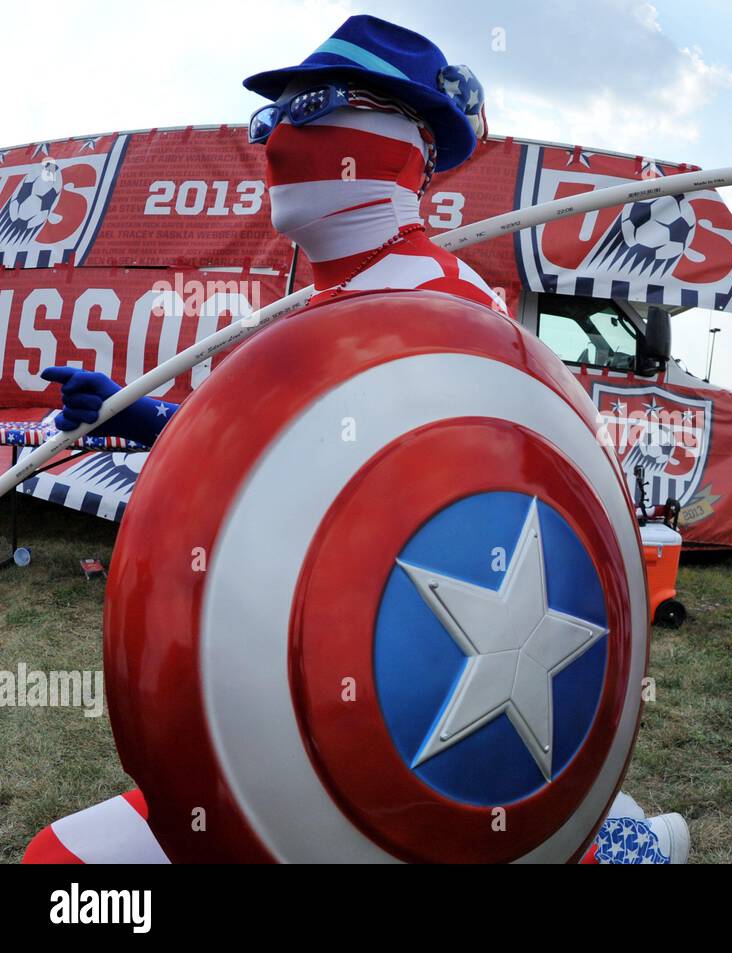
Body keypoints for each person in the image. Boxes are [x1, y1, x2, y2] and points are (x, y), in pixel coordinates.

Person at [28, 14, 687, 866]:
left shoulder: (451, 317)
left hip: (388, 703)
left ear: (409, 140)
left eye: (317, 103)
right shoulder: (320, 316)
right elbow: (278, 472)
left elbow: (477, 509)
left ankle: (610, 844)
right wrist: (145, 419)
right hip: (272, 682)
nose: (276, 139)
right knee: (62, 869)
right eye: (272, 114)